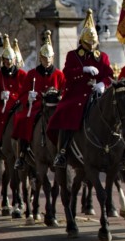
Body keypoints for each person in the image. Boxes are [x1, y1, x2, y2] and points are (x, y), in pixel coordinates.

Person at [49, 9, 115, 168]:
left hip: (97, 94)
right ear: (82, 41)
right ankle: (63, 151)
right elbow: (67, 73)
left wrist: (102, 84)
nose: (91, 47)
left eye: (93, 44)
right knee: (66, 113)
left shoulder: (103, 57)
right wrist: (82, 71)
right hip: (77, 94)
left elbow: (109, 74)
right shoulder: (73, 56)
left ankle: (119, 150)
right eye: (88, 44)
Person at [12, 31, 66, 169]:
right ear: (40, 58)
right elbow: (22, 94)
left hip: (54, 107)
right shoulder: (32, 74)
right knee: (24, 120)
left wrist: (61, 97)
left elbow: (65, 90)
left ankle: (65, 152)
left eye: (49, 58)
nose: (47, 61)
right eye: (44, 58)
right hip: (36, 106)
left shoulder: (59, 74)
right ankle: (22, 154)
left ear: (52, 58)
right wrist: (29, 97)